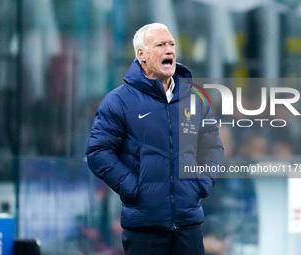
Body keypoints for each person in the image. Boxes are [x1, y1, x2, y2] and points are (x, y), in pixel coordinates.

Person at [86, 23, 224, 255]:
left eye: (171, 44)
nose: (169, 50)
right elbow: (98, 152)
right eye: (160, 45)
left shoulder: (195, 98)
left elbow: (212, 145)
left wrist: (201, 183)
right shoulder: (118, 101)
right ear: (142, 54)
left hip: (188, 223)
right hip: (144, 226)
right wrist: (133, 188)